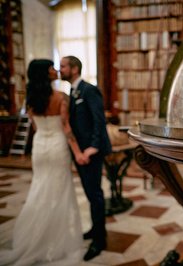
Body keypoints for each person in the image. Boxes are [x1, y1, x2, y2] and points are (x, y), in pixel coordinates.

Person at [0, 59, 85, 265]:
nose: (55, 70)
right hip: (57, 146)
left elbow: (36, 127)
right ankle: (53, 239)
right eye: (51, 68)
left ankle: (34, 236)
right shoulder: (60, 97)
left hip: (40, 147)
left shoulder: (30, 99)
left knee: (39, 189)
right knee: (58, 192)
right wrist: (78, 153)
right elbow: (66, 128)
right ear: (45, 74)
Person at [59, 55, 112, 261]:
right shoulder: (72, 92)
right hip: (80, 152)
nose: (60, 69)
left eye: (63, 66)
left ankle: (100, 240)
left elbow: (99, 121)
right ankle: (96, 230)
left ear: (74, 69)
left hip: (91, 152)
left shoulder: (89, 90)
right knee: (91, 194)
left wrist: (93, 147)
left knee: (95, 195)